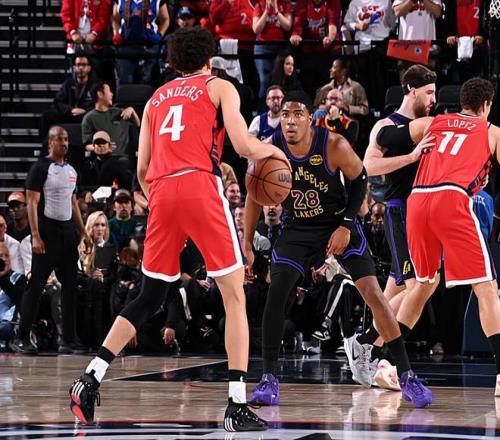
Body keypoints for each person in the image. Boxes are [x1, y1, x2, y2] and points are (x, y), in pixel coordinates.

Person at [69, 26, 290, 431]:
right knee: (234, 295)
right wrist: (275, 151)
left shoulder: (155, 98)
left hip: (162, 190)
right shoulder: (219, 87)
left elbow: (141, 170)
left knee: (149, 295)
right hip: (199, 183)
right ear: (209, 59)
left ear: (172, 61)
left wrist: (161, 200)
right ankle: (236, 405)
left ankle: (89, 378)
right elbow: (243, 146)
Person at [244, 90, 433, 409]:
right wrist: (247, 243)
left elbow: (360, 179)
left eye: (298, 114)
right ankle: (269, 379)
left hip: (337, 221)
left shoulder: (333, 144)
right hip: (297, 227)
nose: (290, 121)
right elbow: (253, 194)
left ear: (310, 118)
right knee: (277, 293)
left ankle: (407, 375)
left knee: (374, 294)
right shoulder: (269, 149)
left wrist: (345, 225)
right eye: (286, 115)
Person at [377, 77, 500, 398]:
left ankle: (387, 363)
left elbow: (385, 135)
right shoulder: (491, 130)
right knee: (487, 289)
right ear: (486, 105)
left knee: (424, 284)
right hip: (451, 199)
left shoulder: (434, 122)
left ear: (463, 102)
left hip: (418, 201)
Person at [360, 65, 437, 389]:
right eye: (429, 92)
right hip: (401, 210)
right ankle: (369, 346)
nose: (433, 99)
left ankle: (373, 358)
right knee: (418, 286)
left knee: (393, 291)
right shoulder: (387, 125)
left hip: (423, 212)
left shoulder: (426, 125)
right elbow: (368, 165)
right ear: (412, 90)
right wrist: (411, 157)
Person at [10, 126, 91, 355]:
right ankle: (21, 337)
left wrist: (83, 233)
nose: (64, 143)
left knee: (70, 288)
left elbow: (73, 203)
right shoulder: (40, 168)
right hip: (46, 230)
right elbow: (32, 203)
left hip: (67, 232)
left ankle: (69, 340)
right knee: (36, 286)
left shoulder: (72, 170)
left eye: (66, 139)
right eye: (59, 139)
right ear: (50, 143)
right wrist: (36, 236)